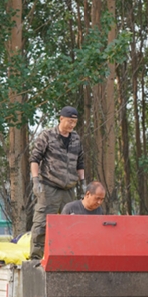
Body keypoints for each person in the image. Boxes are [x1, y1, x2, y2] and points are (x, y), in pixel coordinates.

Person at [29, 106, 86, 259]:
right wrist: (35, 180)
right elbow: (35, 159)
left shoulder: (76, 139)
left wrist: (83, 182)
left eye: (74, 122)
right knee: (42, 224)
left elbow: (80, 163)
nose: (72, 125)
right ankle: (35, 258)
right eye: (69, 121)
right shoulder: (47, 136)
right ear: (61, 119)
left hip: (68, 189)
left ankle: (68, 256)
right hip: (49, 187)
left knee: (72, 224)